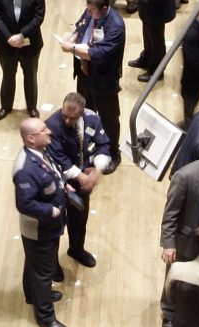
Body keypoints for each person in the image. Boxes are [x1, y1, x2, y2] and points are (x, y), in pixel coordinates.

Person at [59, 0, 126, 171]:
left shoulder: (115, 26)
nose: (88, 13)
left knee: (109, 117)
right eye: (87, 10)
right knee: (85, 111)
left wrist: (71, 49)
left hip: (103, 78)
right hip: (84, 73)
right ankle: (89, 143)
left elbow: (97, 53)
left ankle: (113, 152)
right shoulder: (91, 11)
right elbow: (81, 27)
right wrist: (72, 37)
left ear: (104, 9)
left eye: (91, 11)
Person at [14, 117, 69, 327]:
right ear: (30, 138)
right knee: (43, 273)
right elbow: (24, 204)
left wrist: (64, 186)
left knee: (34, 263)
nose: (50, 132)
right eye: (44, 130)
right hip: (39, 228)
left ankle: (32, 296)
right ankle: (46, 318)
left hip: (47, 225)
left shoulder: (38, 152)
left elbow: (50, 174)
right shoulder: (25, 170)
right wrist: (52, 210)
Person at [45, 92, 110, 270]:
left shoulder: (92, 119)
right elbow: (59, 158)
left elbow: (103, 145)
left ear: (81, 112)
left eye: (72, 118)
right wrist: (83, 177)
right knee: (55, 224)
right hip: (60, 182)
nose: (67, 121)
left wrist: (96, 172)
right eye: (64, 116)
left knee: (80, 218)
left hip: (84, 182)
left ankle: (76, 249)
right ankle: (52, 264)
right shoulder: (52, 125)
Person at [0, 0, 46, 120]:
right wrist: (10, 37)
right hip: (5, 43)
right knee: (8, 76)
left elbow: (39, 16)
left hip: (30, 42)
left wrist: (22, 35)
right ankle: (5, 107)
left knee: (30, 76)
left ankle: (32, 107)